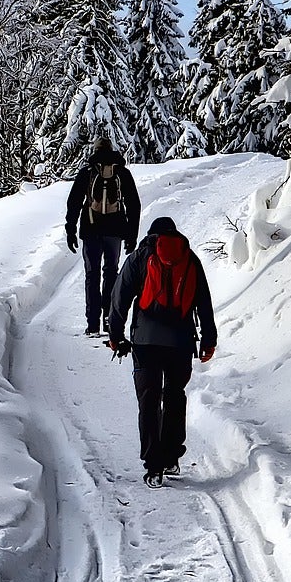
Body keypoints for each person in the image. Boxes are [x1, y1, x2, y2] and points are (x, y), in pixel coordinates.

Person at [106, 216, 217, 487]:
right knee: (175, 397)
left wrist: (115, 335)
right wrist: (208, 339)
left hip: (145, 341)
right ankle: (171, 457)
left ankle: (153, 466)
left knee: (149, 400)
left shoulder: (139, 257)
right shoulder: (189, 258)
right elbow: (203, 301)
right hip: (181, 341)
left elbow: (119, 298)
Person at [64, 137, 141, 336]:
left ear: (95, 150)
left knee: (92, 275)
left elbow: (74, 202)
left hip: (91, 229)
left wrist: (70, 229)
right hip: (115, 231)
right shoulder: (121, 173)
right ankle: (109, 319)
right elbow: (134, 204)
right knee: (111, 273)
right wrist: (132, 234)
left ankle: (92, 324)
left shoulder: (87, 172)